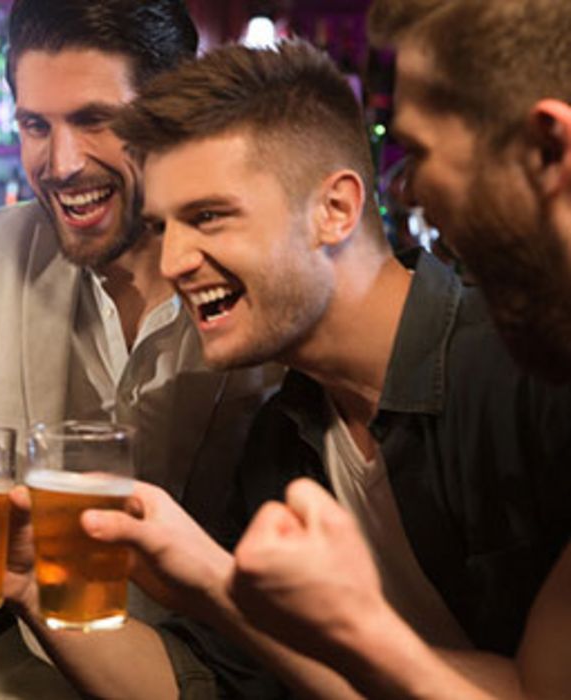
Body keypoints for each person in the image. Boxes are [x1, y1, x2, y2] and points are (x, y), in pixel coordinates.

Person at [25, 39, 571, 699]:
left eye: (207, 218)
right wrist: (28, 583)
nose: (172, 262)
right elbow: (214, 686)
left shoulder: (531, 379)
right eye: (162, 227)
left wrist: (217, 585)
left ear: (334, 210)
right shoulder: (279, 441)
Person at [225, 1, 571, 697]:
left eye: (416, 153)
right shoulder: (277, 436)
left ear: (546, 149)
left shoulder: (518, 385)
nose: (408, 194)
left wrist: (350, 624)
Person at [0, 0, 281, 696]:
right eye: (35, 125)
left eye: (94, 120)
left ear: (174, 115)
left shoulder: (265, 282)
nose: (61, 163)